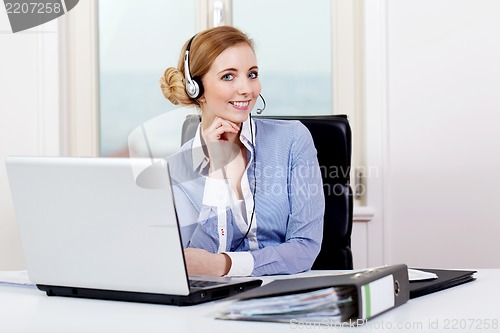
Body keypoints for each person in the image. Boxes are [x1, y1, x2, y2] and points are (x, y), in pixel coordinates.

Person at [159, 26, 324, 277]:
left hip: (285, 293)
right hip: (211, 303)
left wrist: (226, 265)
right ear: (197, 89)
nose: (247, 89)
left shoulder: (292, 140)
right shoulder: (175, 170)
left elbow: (305, 247)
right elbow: (193, 264)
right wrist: (216, 174)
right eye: (228, 76)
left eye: (252, 74)